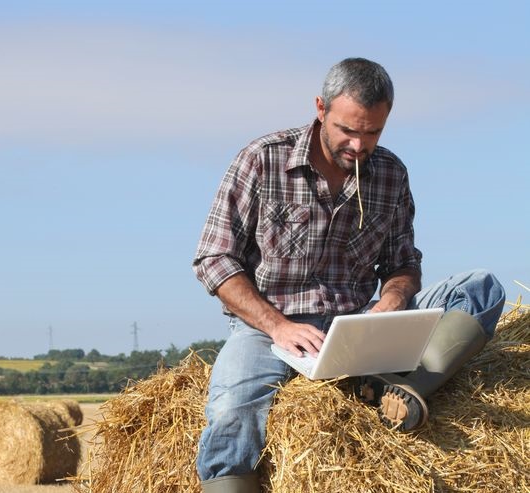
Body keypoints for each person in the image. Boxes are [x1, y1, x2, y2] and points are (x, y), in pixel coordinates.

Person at [192, 57, 505, 493]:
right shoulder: (262, 160)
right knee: (232, 413)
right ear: (320, 108)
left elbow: (402, 264)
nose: (359, 146)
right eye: (348, 130)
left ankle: (403, 391)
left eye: (372, 132)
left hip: (361, 323)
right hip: (271, 330)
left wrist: (391, 302)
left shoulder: (391, 174)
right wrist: (278, 326)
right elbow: (214, 260)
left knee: (481, 288)